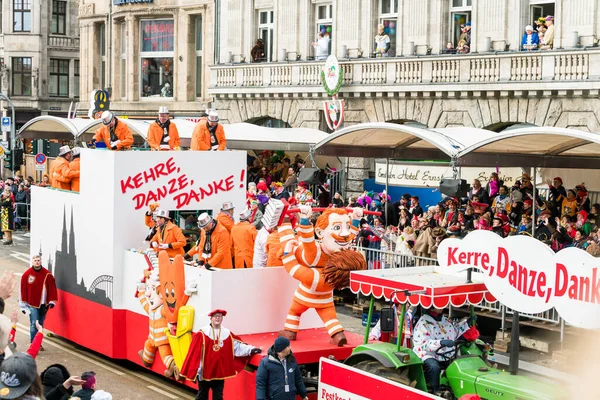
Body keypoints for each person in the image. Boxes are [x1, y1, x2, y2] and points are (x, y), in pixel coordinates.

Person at [180, 309, 262, 400]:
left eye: (219, 316)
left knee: (218, 397)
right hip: (204, 373)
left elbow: (237, 347)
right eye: (215, 316)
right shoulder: (202, 333)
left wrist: (251, 349)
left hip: (219, 373)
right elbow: (195, 355)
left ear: (222, 319)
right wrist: (196, 372)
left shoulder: (226, 333)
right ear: (211, 318)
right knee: (202, 396)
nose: (217, 318)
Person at [412, 307, 474, 395]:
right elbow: (424, 344)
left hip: (446, 354)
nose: (441, 307)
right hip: (427, 354)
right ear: (432, 307)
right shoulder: (423, 323)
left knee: (459, 365)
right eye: (439, 305)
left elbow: (454, 332)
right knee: (434, 367)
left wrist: (466, 324)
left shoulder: (445, 321)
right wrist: (440, 342)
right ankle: (435, 391)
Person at [19, 255, 57, 344]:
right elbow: (22, 291)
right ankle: (34, 344)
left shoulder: (48, 275)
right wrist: (23, 306)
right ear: (32, 262)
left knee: (40, 325)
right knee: (33, 324)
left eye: (38, 260)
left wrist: (51, 302)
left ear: (41, 261)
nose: (37, 262)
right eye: (35, 260)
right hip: (32, 304)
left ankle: (38, 343)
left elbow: (52, 289)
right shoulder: (26, 275)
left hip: (44, 304)